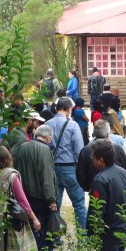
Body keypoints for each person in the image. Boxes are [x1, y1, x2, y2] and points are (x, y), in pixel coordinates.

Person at [13, 125, 59, 251]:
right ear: (48, 138)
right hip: (41, 195)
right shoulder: (45, 150)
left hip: (25, 195)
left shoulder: (23, 147)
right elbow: (47, 177)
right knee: (48, 227)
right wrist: (51, 199)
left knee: (33, 227)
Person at [47, 97, 87, 230]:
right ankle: (83, 238)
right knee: (79, 204)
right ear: (68, 109)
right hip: (70, 168)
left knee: (55, 206)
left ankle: (56, 237)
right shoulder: (73, 125)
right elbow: (79, 150)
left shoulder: (47, 124)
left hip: (53, 169)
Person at [77, 120, 126, 192]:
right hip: (116, 188)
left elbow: (80, 174)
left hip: (95, 190)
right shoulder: (117, 148)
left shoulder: (85, 150)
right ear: (108, 134)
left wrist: (88, 187)